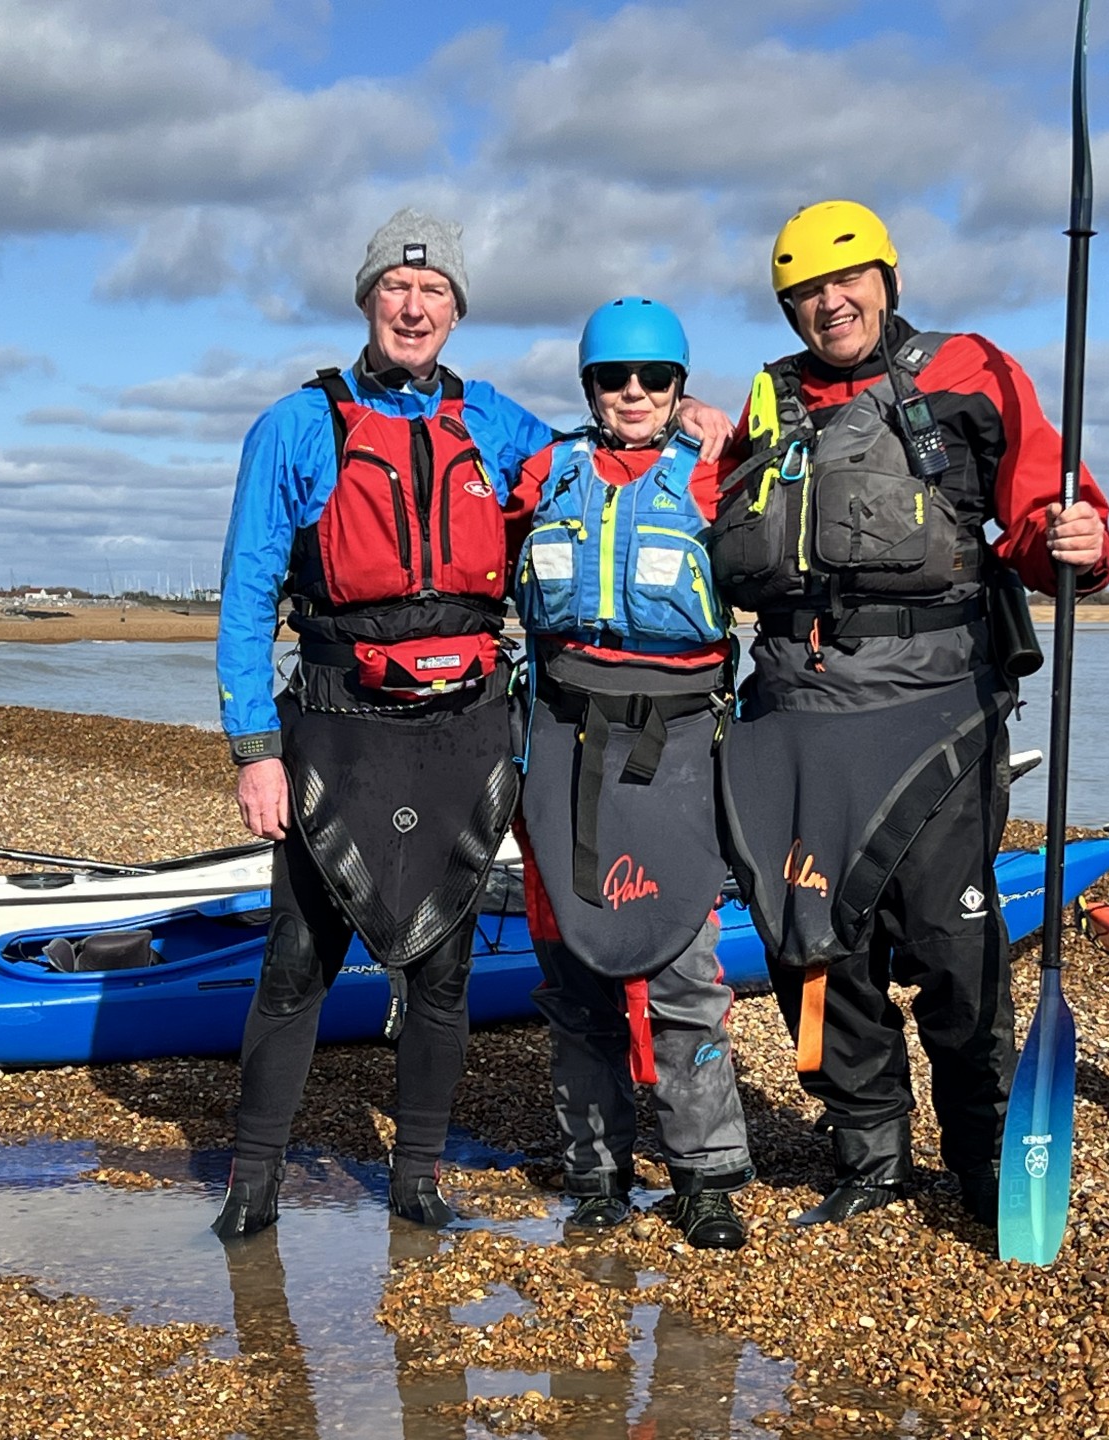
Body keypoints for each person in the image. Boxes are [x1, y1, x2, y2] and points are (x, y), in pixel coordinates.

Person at [213, 210, 732, 1239]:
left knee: (442, 972)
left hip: (462, 729)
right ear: (368, 300)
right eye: (396, 290)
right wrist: (254, 750)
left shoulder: (494, 423)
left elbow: (606, 464)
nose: (414, 308)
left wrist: (697, 419)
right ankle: (251, 1184)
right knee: (296, 961)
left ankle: (416, 1181)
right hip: (337, 722)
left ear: (454, 311)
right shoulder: (295, 425)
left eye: (435, 293)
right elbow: (245, 593)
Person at [710, 200, 1109, 1228]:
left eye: (848, 281)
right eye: (807, 291)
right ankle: (868, 1152)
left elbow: (1042, 507)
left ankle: (984, 1158)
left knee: (950, 945)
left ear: (887, 280)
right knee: (813, 949)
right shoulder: (766, 399)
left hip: (936, 710)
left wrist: (1076, 540)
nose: (830, 304)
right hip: (794, 716)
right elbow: (714, 512)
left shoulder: (972, 370)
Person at [511, 297, 753, 1250]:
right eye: (616, 379)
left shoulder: (714, 475)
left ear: (680, 386)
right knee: (575, 974)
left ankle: (706, 1177)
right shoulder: (544, 473)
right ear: (591, 389)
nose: (636, 393)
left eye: (656, 379)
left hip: (677, 753)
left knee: (685, 970)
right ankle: (597, 1173)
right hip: (565, 751)